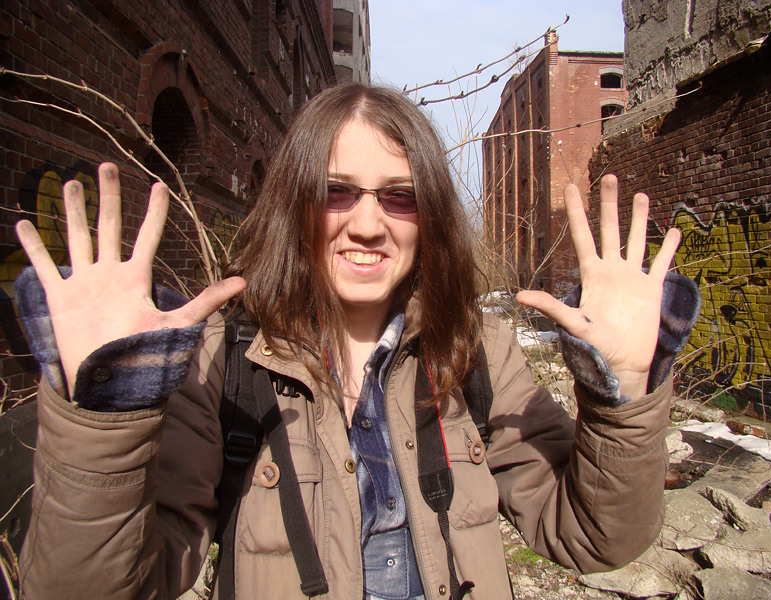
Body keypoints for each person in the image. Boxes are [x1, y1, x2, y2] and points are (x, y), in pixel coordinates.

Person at [12, 83, 700, 600]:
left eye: (400, 196)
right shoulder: (223, 360)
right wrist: (106, 417)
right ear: (295, 203)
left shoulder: (478, 350)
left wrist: (621, 394)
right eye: (336, 191)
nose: (368, 224)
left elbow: (593, 536)